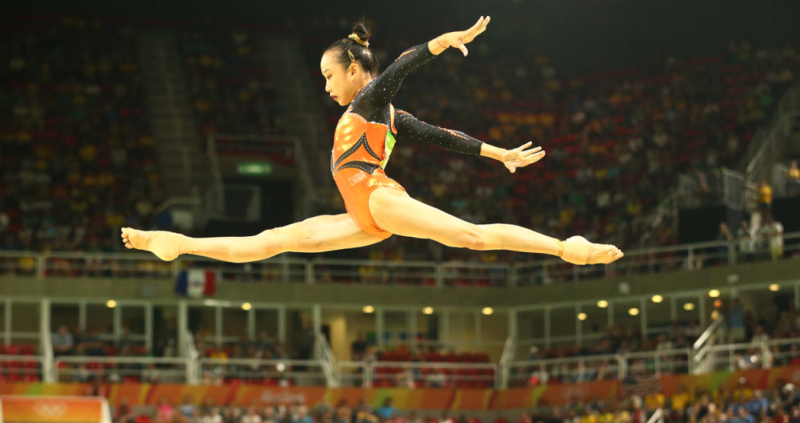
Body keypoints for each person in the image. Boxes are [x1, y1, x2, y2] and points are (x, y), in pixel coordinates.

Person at [120, 18, 622, 275]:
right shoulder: (383, 116)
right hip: (360, 214)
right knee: (272, 240)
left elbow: (401, 66)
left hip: (377, 198)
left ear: (354, 70)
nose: (325, 86)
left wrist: (440, 43)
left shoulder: (369, 99)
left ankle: (566, 248)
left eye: (328, 75)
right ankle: (177, 244)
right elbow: (444, 137)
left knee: (469, 236)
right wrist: (499, 154)